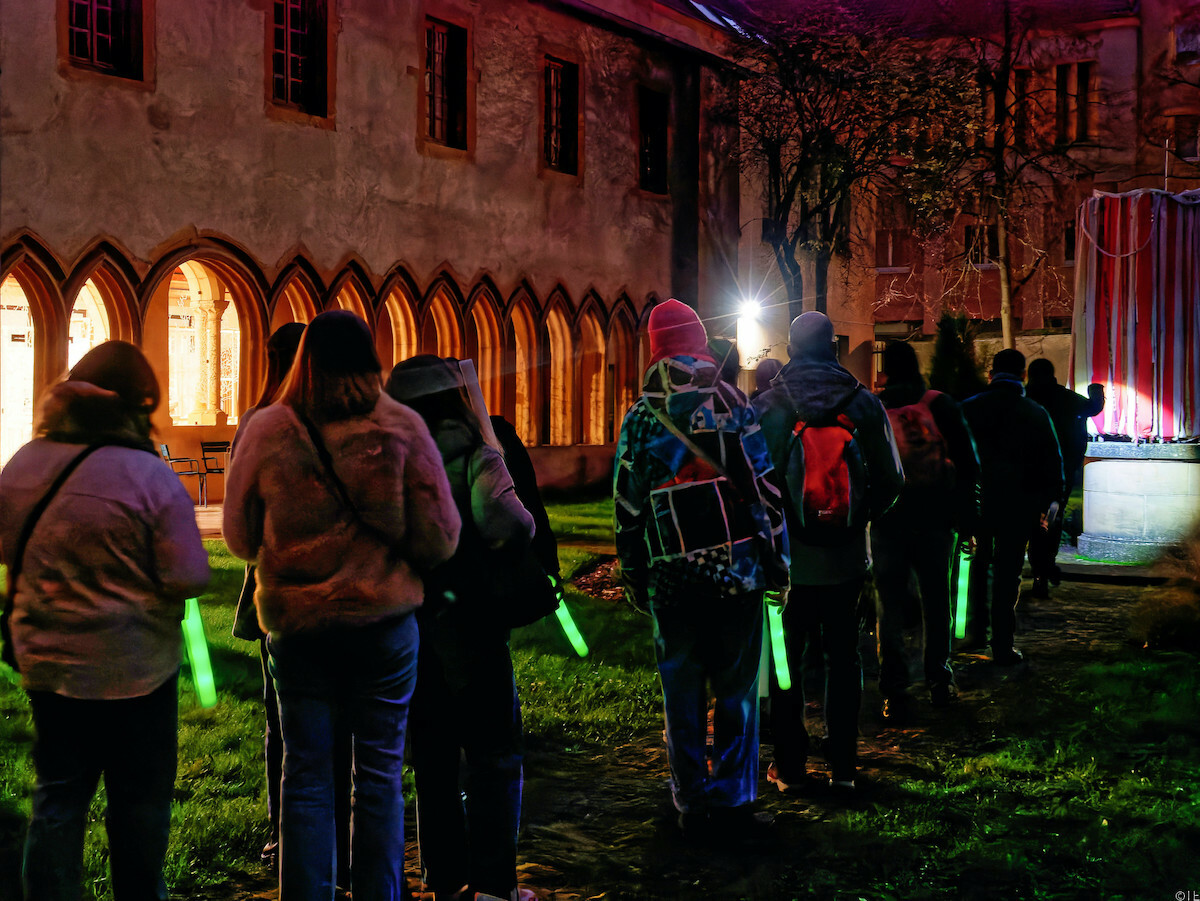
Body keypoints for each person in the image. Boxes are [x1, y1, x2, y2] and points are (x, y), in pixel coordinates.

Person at [223, 311, 460, 901]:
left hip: (298, 628)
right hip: (383, 626)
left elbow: (237, 537)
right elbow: (442, 537)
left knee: (304, 775)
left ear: (304, 361)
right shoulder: (401, 427)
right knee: (379, 776)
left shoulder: (268, 429)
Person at [0, 341, 211, 900]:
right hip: (135, 670)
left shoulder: (24, 463)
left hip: (48, 665)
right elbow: (188, 575)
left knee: (58, 797)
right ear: (136, 405)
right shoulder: (149, 475)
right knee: (139, 806)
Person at [613, 299, 790, 840]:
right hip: (736, 572)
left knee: (681, 692)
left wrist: (633, 572)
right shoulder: (732, 399)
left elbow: (627, 502)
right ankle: (734, 799)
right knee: (736, 689)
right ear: (696, 341)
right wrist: (778, 558)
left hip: (672, 579)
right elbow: (762, 485)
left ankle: (689, 799)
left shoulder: (641, 416)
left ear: (655, 349)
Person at [385, 355, 536, 901]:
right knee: (494, 753)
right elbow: (510, 524)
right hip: (472, 621)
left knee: (432, 757)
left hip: (408, 625)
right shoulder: (474, 454)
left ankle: (445, 879)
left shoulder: (384, 456)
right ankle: (495, 885)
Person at [753, 311, 903, 793]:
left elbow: (751, 484)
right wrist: (857, 518)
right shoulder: (863, 403)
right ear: (834, 349)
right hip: (844, 562)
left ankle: (791, 766)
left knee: (785, 662)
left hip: (786, 562)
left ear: (792, 350)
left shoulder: (769, 404)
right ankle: (843, 766)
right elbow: (893, 480)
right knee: (845, 659)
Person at [229, 322, 352, 883]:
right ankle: (344, 852)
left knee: (286, 724)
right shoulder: (338, 417)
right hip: (345, 591)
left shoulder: (257, 422)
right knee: (343, 726)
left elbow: (241, 527)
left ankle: (290, 842)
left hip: (276, 592)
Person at [870, 341, 980, 721]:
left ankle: (894, 690)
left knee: (890, 608)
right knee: (938, 604)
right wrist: (966, 520)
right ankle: (939, 680)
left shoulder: (876, 407)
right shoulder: (940, 404)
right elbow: (969, 464)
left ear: (886, 369)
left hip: (888, 521)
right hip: (935, 518)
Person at [961, 348, 1063, 665]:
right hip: (1019, 507)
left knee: (976, 567)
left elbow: (954, 459)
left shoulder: (968, 409)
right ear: (1023, 376)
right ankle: (1003, 645)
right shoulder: (1034, 413)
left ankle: (971, 634)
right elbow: (1053, 467)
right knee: (1008, 574)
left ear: (991, 374)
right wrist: (1049, 507)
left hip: (976, 505)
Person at [1024, 359, 1104, 598]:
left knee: (1030, 522)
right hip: (1058, 479)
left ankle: (1039, 567)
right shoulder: (1065, 398)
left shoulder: (1024, 398)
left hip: (1026, 477)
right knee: (1050, 521)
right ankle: (1044, 568)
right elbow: (1092, 407)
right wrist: (1096, 390)